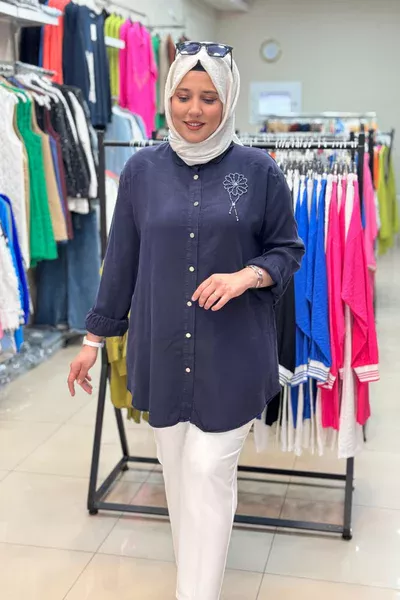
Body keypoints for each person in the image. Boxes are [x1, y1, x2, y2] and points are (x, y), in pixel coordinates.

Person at [68, 41, 305, 600]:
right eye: (182, 96)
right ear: (167, 98)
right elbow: (121, 260)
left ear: (228, 101)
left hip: (233, 352)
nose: (194, 109)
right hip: (164, 351)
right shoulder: (141, 172)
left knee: (206, 472)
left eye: (209, 98)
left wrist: (247, 275)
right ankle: (194, 582)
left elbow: (287, 250)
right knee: (178, 479)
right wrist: (93, 340)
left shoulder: (260, 171)